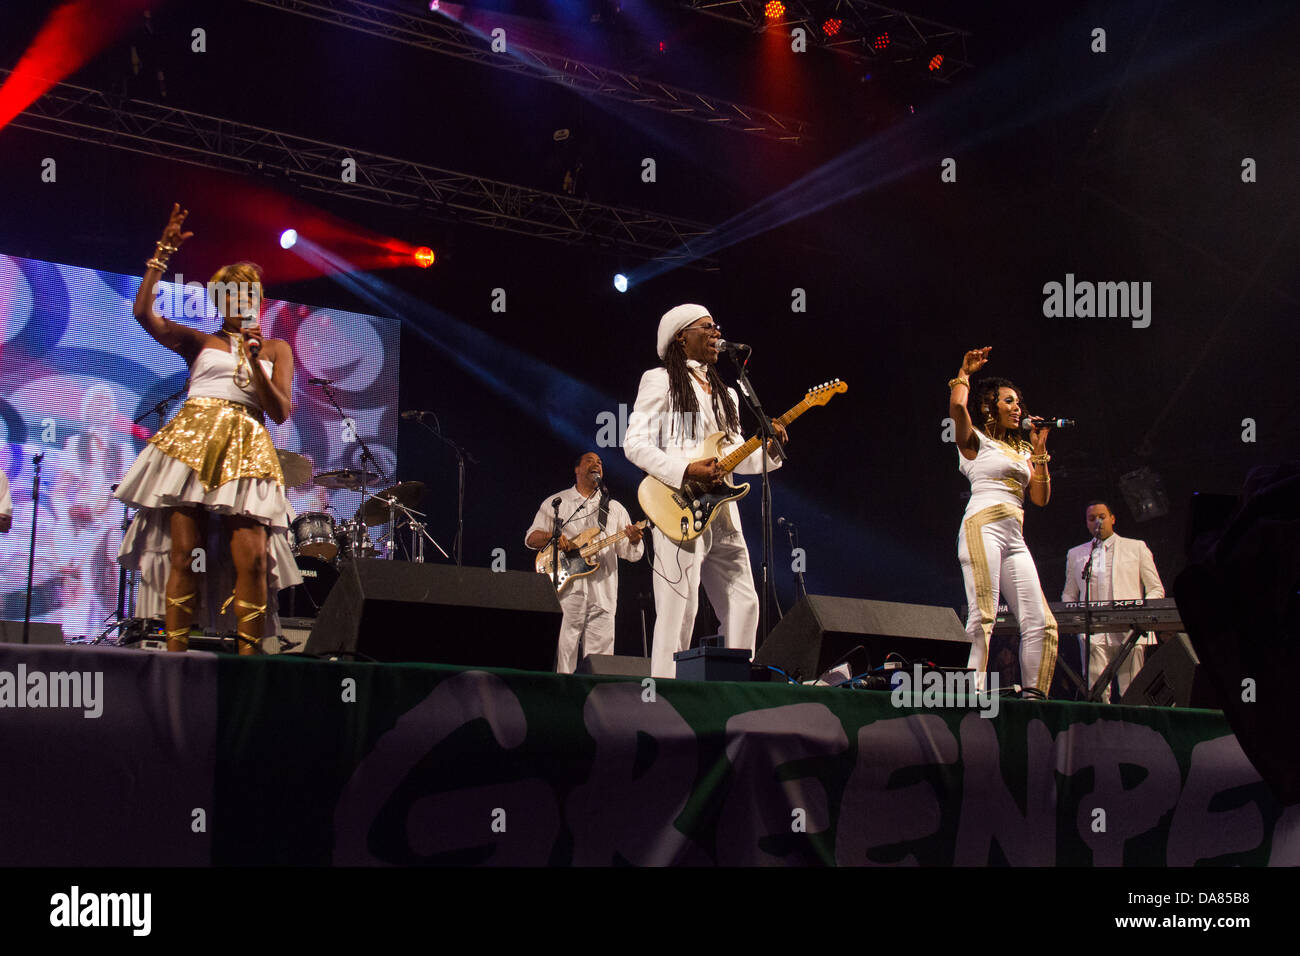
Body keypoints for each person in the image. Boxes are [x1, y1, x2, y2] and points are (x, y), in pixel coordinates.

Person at [114, 204, 301, 653]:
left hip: (248, 446)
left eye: (251, 292)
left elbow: (279, 411)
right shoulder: (200, 341)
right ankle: (175, 659)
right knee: (184, 554)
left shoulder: (275, 348)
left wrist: (255, 361)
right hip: (192, 443)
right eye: (235, 292)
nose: (245, 299)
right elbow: (144, 314)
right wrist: (161, 255)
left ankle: (249, 661)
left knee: (254, 561)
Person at [623, 304, 785, 679]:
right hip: (677, 504)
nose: (716, 334)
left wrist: (769, 451)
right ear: (681, 336)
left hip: (723, 507)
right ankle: (665, 695)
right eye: (706, 328)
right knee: (682, 606)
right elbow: (634, 444)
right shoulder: (660, 380)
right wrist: (685, 469)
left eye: (716, 327)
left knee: (744, 599)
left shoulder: (728, 392)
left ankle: (734, 686)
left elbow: (733, 455)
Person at [949, 346, 1059, 697]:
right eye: (1008, 401)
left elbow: (1040, 498)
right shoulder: (975, 442)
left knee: (1042, 623)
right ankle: (971, 694)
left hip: (1015, 535)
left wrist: (1039, 450)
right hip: (983, 526)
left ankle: (1034, 698)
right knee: (984, 616)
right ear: (989, 407)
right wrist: (964, 374)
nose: (1017, 408)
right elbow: (956, 407)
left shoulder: (1023, 451)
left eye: (1018, 403)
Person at [525, 451, 644, 673]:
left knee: (601, 666)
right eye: (590, 460)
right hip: (567, 592)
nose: (596, 464)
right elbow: (531, 538)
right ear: (577, 469)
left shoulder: (615, 509)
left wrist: (635, 540)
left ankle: (596, 705)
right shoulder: (557, 502)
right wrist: (553, 538)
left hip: (603, 595)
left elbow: (632, 554)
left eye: (600, 462)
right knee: (562, 660)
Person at [1062, 500, 1165, 701]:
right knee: (1096, 693)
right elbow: (1069, 593)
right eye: (1092, 519)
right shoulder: (1077, 554)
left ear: (1112, 519)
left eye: (1102, 517)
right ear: (1086, 523)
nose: (1097, 522)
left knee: (1133, 690)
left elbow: (1155, 588)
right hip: (1092, 632)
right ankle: (1100, 729)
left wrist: (1140, 613)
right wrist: (1076, 623)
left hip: (1130, 630)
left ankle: (1135, 728)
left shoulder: (1135, 547)